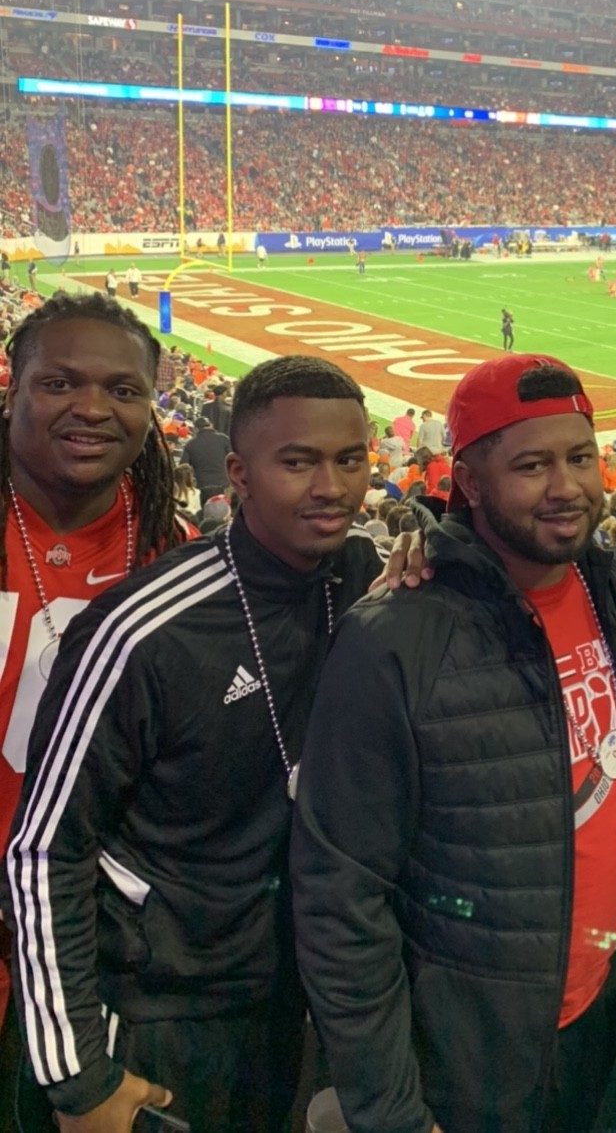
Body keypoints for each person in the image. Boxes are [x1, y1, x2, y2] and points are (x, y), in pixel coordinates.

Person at [6, 356, 381, 1133]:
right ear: (239, 474)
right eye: (298, 462)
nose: (332, 487)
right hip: (152, 1013)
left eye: (350, 461)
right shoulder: (141, 631)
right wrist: (77, 1078)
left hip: (284, 997)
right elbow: (43, 850)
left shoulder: (358, 577)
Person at [291, 353, 616, 1133]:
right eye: (531, 465)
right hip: (465, 1052)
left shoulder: (606, 586)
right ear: (471, 481)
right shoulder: (394, 636)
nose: (566, 485)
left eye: (580, 457)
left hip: (596, 1018)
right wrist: (390, 1110)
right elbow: (340, 896)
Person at [0, 294, 184, 1045]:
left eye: (123, 389)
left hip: (95, 954)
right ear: (13, 390)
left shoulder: (174, 555)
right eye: (59, 383)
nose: (93, 408)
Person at [179, 415, 231, 501]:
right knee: (224, 507)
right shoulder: (224, 439)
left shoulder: (191, 444)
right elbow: (232, 459)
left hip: (202, 486)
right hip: (224, 484)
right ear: (211, 425)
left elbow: (183, 467)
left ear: (196, 429)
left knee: (205, 508)